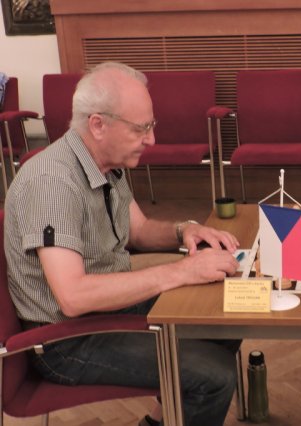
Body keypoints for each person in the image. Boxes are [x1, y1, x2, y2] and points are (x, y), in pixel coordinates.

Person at [4, 62, 241, 426]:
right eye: (140, 128)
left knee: (224, 314)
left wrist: (183, 231)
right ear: (98, 125)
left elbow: (139, 231)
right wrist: (181, 271)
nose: (151, 140)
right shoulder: (52, 182)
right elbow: (74, 297)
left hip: (111, 309)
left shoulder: (105, 164)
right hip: (64, 341)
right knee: (215, 376)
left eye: (151, 125)